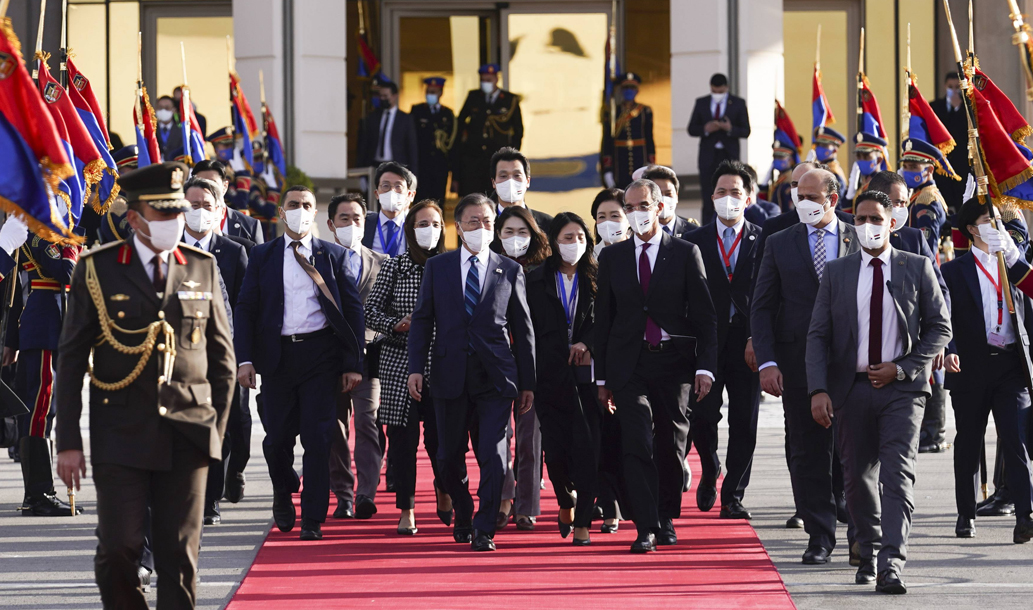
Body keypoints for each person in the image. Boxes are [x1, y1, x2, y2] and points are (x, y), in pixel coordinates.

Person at [53, 162, 236, 608]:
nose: (176, 222)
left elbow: (223, 363)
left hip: (189, 433)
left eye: (178, 213)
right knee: (120, 549)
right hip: (122, 434)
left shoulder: (201, 267)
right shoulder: (97, 270)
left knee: (178, 555)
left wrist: (215, 433)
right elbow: (72, 359)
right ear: (134, 217)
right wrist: (69, 442)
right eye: (164, 214)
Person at [807, 190, 951, 593]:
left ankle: (892, 562)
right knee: (856, 478)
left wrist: (902, 368)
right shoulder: (837, 271)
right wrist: (818, 389)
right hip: (850, 391)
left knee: (898, 475)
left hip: (902, 392)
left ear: (893, 222)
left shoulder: (916, 267)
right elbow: (818, 335)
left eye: (877, 218)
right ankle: (867, 549)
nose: (868, 225)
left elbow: (941, 327)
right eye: (862, 218)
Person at [235, 185, 365, 541]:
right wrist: (244, 359)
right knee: (277, 440)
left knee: (318, 438)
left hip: (320, 357)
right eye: (294, 204)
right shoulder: (262, 256)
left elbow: (352, 311)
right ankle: (283, 489)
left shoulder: (333, 255)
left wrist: (354, 363)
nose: (301, 210)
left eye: (307, 205)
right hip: (277, 359)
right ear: (281, 212)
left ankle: (312, 518)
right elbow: (245, 309)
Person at [407, 193, 536, 552]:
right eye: (474, 221)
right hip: (449, 374)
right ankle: (463, 509)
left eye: (488, 222)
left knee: (494, 455)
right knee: (447, 456)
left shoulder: (509, 269)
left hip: (496, 377)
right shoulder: (439, 267)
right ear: (459, 226)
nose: (482, 228)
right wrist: (415, 368)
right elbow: (422, 320)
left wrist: (528, 384)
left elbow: (523, 331)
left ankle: (484, 528)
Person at [595, 178, 718, 553]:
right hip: (629, 365)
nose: (636, 213)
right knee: (636, 442)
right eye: (629, 207)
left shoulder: (684, 252)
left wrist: (705, 368)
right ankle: (645, 525)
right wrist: (602, 378)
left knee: (670, 444)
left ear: (660, 206)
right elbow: (605, 320)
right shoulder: (612, 257)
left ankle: (666, 517)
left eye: (642, 205)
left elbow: (705, 317)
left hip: (674, 363)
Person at [752, 168, 860, 563]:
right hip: (797, 364)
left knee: (853, 448)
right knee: (807, 449)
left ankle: (858, 528)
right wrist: (767, 361)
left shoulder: (858, 236)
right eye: (799, 195)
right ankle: (819, 535)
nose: (804, 202)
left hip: (852, 363)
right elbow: (761, 307)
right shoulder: (780, 242)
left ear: (833, 199)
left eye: (812, 196)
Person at [942, 199, 1033, 545]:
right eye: (987, 220)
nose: (996, 226)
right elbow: (942, 319)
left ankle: (1025, 514)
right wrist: (947, 352)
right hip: (970, 365)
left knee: (1015, 439)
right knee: (968, 440)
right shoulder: (953, 271)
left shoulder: (1014, 266)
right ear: (971, 229)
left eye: (997, 220)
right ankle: (965, 513)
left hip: (1010, 365)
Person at [365, 199, 453, 534]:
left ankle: (444, 491)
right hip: (398, 361)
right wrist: (395, 324)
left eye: (434, 224)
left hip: (442, 361)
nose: (428, 231)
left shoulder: (449, 265)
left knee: (441, 438)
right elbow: (371, 311)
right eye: (421, 224)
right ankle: (407, 508)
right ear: (409, 229)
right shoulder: (395, 266)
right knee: (402, 440)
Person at [683, 160, 762, 520]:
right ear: (711, 197)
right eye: (721, 192)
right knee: (702, 415)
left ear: (748, 199)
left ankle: (734, 494)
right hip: (707, 343)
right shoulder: (693, 241)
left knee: (744, 421)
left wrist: (756, 338)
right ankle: (710, 467)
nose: (727, 198)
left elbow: (768, 297)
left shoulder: (763, 240)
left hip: (747, 344)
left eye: (735, 192)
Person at [527, 212, 604, 545]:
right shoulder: (535, 279)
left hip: (588, 376)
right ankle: (564, 500)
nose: (574, 244)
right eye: (566, 238)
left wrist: (588, 342)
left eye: (580, 238)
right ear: (554, 241)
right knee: (555, 450)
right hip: (549, 375)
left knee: (588, 447)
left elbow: (609, 320)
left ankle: (584, 521)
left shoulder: (597, 276)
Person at [865, 171, 952, 455]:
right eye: (896, 202)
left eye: (905, 203)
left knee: (899, 459)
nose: (901, 210)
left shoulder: (914, 238)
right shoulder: (853, 233)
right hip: (860, 362)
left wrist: (939, 342)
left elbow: (940, 293)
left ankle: (934, 431)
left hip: (907, 360)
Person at [0, 218, 82, 517]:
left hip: (48, 326)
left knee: (44, 411)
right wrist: (74, 244)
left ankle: (38, 491)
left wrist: (11, 340)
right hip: (45, 328)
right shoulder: (38, 233)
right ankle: (39, 494)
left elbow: (17, 293)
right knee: (39, 410)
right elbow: (66, 272)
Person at [182, 177, 250, 525]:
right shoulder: (167, 251)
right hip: (176, 362)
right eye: (192, 205)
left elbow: (237, 307)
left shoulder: (230, 252)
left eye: (206, 206)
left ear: (219, 210)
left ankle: (210, 500)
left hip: (217, 358)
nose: (198, 213)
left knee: (220, 429)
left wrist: (239, 356)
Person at [324, 193, 388, 521]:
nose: (351, 224)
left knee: (368, 422)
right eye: (344, 218)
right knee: (336, 428)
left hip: (371, 358)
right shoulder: (318, 261)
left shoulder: (383, 262)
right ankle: (344, 494)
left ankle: (366, 493)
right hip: (331, 358)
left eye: (357, 218)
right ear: (331, 224)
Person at [495, 205, 549, 530]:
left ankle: (527, 506)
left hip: (535, 364)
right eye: (508, 232)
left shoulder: (545, 270)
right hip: (498, 364)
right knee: (499, 437)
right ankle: (503, 499)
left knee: (529, 439)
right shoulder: (489, 267)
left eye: (522, 232)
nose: (516, 239)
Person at [687, 73, 751, 224]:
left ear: (727, 88)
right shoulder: (702, 102)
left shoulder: (737, 103)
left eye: (720, 92)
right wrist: (706, 129)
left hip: (728, 155)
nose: (717, 95)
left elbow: (746, 131)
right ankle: (707, 227)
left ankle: (732, 222)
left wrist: (730, 128)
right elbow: (691, 129)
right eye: (714, 91)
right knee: (708, 195)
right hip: (708, 156)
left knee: (729, 192)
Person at [452, 64, 524, 197]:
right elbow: (460, 124)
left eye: (489, 80)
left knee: (496, 199)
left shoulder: (509, 100)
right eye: (483, 80)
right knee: (474, 199)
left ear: (496, 79)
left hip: (497, 159)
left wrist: (510, 157)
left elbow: (518, 131)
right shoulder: (473, 97)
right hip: (474, 160)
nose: (486, 83)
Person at [898, 137, 953, 255]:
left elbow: (927, 249)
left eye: (913, 167)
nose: (907, 171)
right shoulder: (921, 194)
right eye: (905, 167)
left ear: (929, 170)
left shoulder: (926, 200)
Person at [601, 72, 656, 190]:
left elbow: (649, 138)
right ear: (621, 90)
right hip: (619, 162)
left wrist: (651, 163)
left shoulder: (645, 111)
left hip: (639, 157)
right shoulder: (613, 112)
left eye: (632, 88)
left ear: (637, 91)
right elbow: (607, 140)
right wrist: (608, 169)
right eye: (626, 88)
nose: (629, 91)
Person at [192, 159, 264, 247]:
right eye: (201, 184)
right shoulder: (184, 222)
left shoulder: (250, 226)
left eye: (213, 184)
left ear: (225, 186)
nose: (207, 189)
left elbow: (259, 259)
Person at [411, 77, 456, 204]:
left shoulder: (448, 114)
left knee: (438, 202)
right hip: (421, 166)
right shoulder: (417, 111)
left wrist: (454, 174)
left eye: (433, 92)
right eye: (428, 92)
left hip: (440, 166)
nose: (430, 95)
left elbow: (452, 145)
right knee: (420, 203)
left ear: (441, 93)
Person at [358, 81, 419, 173]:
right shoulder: (373, 117)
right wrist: (361, 172)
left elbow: (412, 148)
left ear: (395, 96)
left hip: (397, 166)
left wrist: (413, 174)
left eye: (386, 96)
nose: (382, 99)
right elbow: (364, 145)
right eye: (381, 96)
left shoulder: (405, 119)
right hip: (375, 166)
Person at [490, 147, 553, 235]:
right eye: (503, 176)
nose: (510, 181)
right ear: (493, 182)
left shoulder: (548, 225)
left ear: (527, 181)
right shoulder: (484, 225)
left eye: (516, 175)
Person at [929, 72, 968, 214]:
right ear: (945, 86)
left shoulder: (967, 109)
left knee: (961, 204)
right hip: (941, 163)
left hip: (961, 165)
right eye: (950, 87)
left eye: (957, 87)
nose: (954, 90)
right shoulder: (935, 107)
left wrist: (957, 109)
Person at [362, 162, 416, 257]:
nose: (392, 191)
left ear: (410, 195)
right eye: (385, 186)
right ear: (377, 194)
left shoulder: (416, 226)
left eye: (398, 186)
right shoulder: (363, 223)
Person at [642, 165, 697, 239]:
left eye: (668, 194)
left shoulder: (694, 231)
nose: (663, 199)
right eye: (658, 195)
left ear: (676, 196)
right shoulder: (640, 232)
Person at [843, 131, 889, 213]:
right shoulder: (860, 183)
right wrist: (849, 196)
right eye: (858, 156)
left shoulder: (882, 184)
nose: (861, 160)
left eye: (866, 156)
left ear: (878, 160)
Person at [591, 187, 629, 257]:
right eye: (602, 217)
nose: (607, 222)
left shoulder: (641, 251)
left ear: (629, 218)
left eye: (614, 216)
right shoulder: (590, 258)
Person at [811, 127, 848, 198]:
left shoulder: (834, 173)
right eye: (818, 145)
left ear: (835, 150)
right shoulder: (820, 168)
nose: (818, 148)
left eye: (824, 145)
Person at [154, 95, 182, 160]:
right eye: (160, 108)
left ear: (174, 110)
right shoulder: (151, 129)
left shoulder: (180, 130)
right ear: (155, 109)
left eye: (167, 108)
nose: (163, 111)